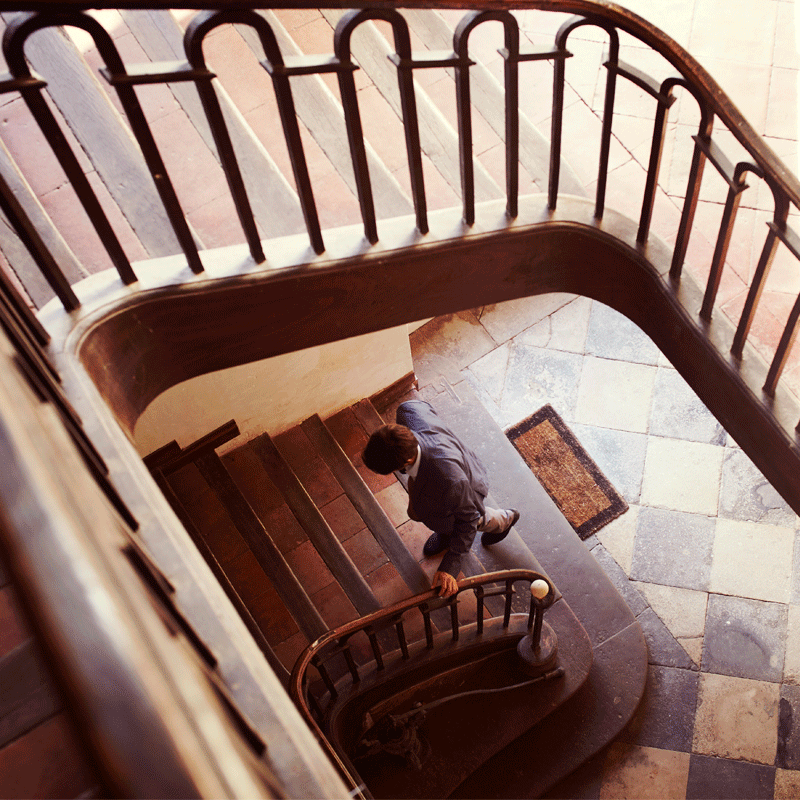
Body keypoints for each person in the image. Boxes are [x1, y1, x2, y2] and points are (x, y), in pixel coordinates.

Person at [362, 400, 519, 599]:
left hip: (465, 486)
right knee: (423, 512)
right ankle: (446, 533)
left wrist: (450, 566)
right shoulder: (408, 410)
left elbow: (468, 519)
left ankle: (505, 519)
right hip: (448, 471)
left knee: (473, 518)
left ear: (407, 461)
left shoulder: (449, 480)